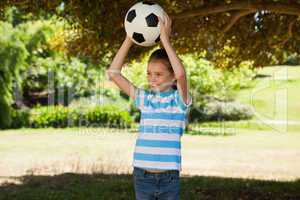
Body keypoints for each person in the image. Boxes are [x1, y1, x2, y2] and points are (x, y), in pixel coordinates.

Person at [107, 11, 192, 200]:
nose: (152, 79)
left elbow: (181, 75)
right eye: (149, 73)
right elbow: (113, 73)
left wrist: (165, 40)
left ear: (171, 76)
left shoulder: (179, 101)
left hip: (169, 178)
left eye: (158, 74)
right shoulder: (145, 99)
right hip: (142, 176)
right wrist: (129, 37)